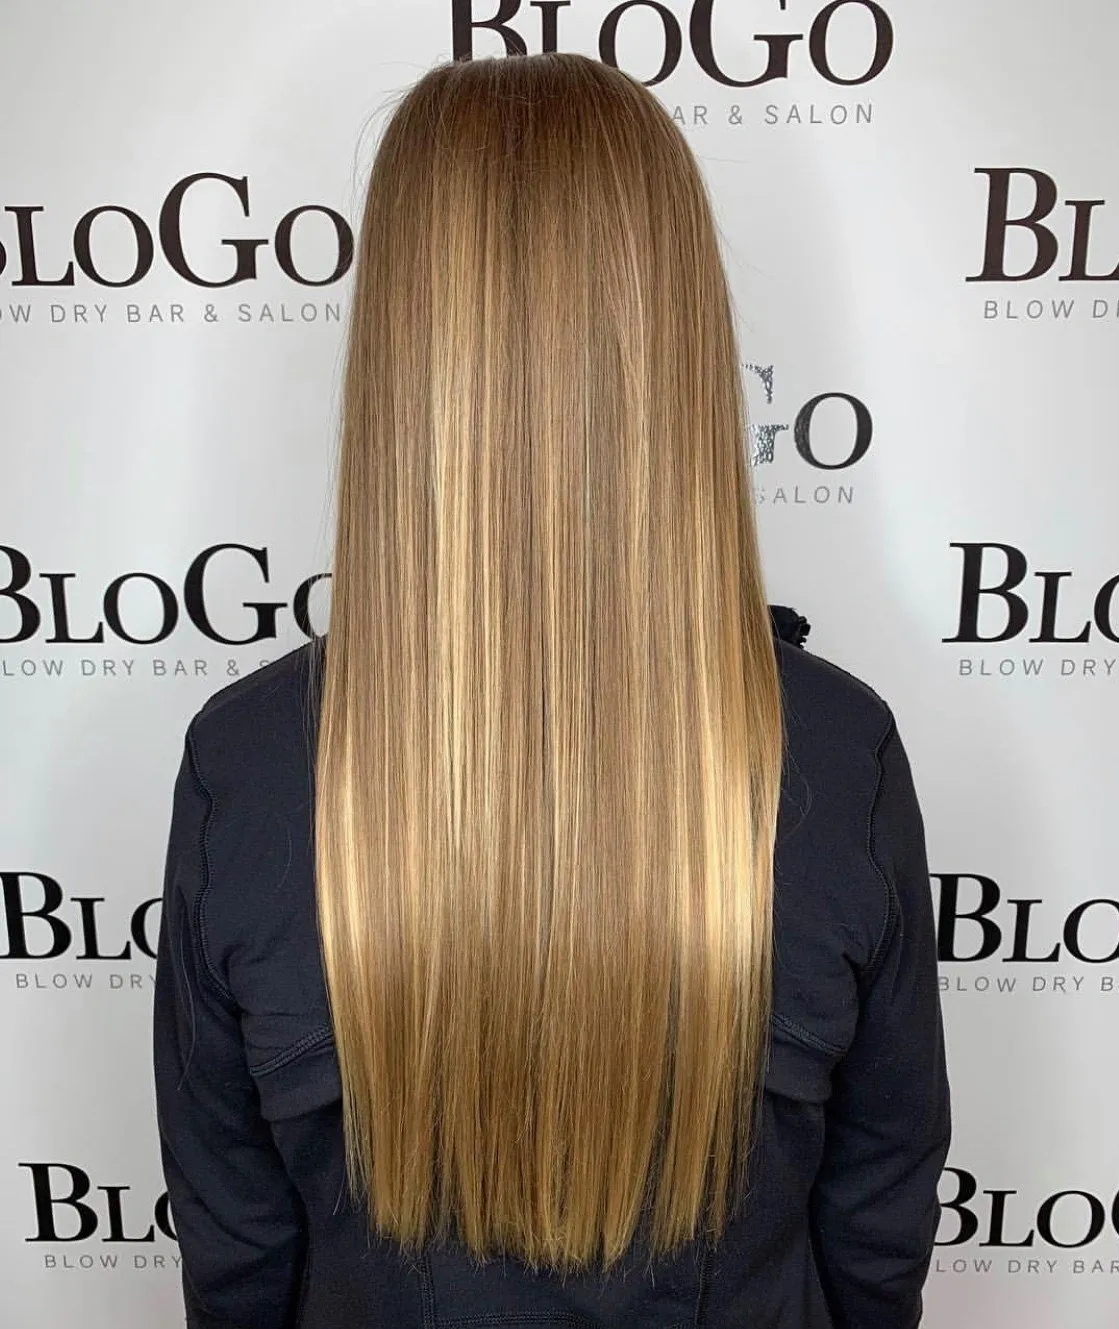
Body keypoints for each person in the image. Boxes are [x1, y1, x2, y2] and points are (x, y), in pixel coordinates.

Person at [152, 51, 951, 1329]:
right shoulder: (839, 750)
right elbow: (875, 1227)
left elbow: (237, 1254)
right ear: (682, 339)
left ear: (400, 357)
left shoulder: (246, 764)